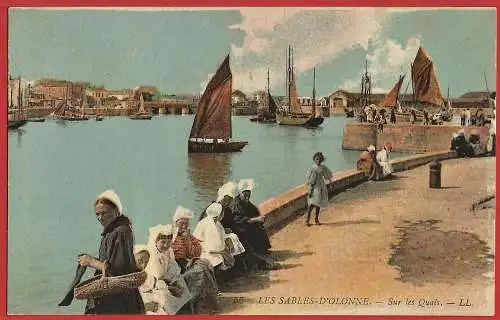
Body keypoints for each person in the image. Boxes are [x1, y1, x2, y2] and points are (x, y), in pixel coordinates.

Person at [78, 190, 145, 314]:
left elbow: (117, 271)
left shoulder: (120, 232)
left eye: (104, 213)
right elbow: (113, 262)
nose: (100, 217)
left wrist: (91, 262)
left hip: (119, 300)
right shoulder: (113, 231)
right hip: (120, 296)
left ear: (116, 211)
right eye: (97, 214)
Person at [171, 206, 219, 314]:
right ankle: (196, 305)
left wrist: (187, 239)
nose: (183, 226)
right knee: (198, 272)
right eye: (181, 223)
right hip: (173, 264)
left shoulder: (188, 235)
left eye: (186, 224)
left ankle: (203, 304)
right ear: (175, 222)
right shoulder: (169, 235)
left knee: (204, 266)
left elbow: (195, 253)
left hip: (184, 263)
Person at [145, 224, 192, 315]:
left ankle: (183, 311)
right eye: (162, 242)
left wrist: (175, 281)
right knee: (165, 294)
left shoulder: (169, 251)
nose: (166, 245)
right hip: (153, 284)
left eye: (169, 242)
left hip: (166, 280)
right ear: (155, 241)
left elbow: (173, 267)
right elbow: (156, 276)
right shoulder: (152, 254)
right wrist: (171, 286)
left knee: (182, 285)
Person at [231, 179, 272, 253]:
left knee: (259, 227)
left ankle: (262, 249)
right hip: (238, 227)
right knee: (252, 229)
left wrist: (259, 218)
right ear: (240, 193)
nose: (247, 197)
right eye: (245, 195)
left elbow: (253, 210)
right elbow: (239, 219)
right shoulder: (236, 204)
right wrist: (256, 219)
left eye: (249, 194)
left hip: (245, 223)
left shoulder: (245, 201)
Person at [305, 152, 333, 226]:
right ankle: (307, 220)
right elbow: (310, 179)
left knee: (318, 203)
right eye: (316, 159)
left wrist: (330, 182)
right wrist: (310, 188)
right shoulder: (313, 168)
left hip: (321, 186)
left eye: (319, 160)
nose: (318, 161)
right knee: (312, 204)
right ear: (314, 159)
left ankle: (316, 219)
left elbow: (327, 175)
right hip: (314, 187)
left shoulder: (322, 167)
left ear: (321, 160)